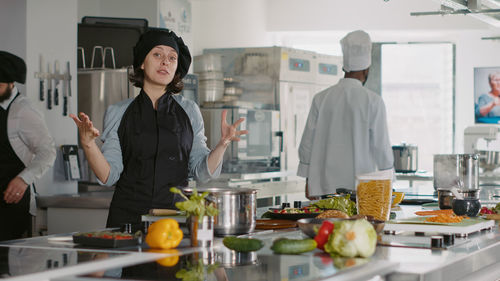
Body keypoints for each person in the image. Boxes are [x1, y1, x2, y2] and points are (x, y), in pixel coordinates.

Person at [70, 28, 248, 230]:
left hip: (176, 220)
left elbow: (201, 171)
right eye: (157, 54)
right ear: (142, 63)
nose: (165, 62)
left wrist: (222, 144)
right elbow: (108, 175)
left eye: (172, 58)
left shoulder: (189, 111)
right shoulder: (118, 112)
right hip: (128, 220)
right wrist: (88, 144)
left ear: (176, 70)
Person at [297, 30, 393, 199]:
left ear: (343, 67)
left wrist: (308, 180)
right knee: (356, 226)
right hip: (361, 190)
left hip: (324, 188)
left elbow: (307, 143)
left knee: (328, 224)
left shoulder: (321, 98)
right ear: (366, 69)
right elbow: (381, 147)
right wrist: (389, 182)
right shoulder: (373, 101)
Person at [0, 51, 56, 241]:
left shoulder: (23, 110)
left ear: (11, 84)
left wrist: (23, 180)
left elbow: (47, 152)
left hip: (11, 204)